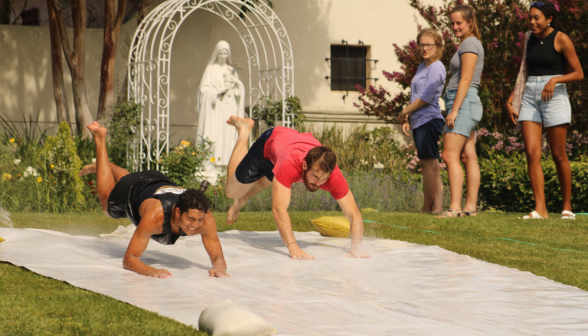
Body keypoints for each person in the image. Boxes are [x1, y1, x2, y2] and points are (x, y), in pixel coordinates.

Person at [80, 122, 230, 278]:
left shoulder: (205, 218)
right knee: (107, 206)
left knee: (128, 178)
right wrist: (150, 271)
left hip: (156, 181)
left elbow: (218, 258)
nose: (195, 225)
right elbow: (129, 259)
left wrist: (219, 268)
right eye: (190, 219)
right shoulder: (155, 216)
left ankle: (108, 165)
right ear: (178, 211)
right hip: (134, 189)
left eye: (198, 220)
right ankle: (100, 140)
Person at [223, 116, 370, 260]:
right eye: (315, 177)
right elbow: (279, 209)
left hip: (286, 146)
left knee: (269, 182)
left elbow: (354, 215)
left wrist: (356, 248)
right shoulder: (290, 164)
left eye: (324, 179)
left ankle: (241, 201)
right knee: (232, 191)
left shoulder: (333, 175)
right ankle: (244, 130)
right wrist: (293, 245)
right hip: (268, 144)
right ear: (305, 165)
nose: (318, 183)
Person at [506, 1, 583, 219]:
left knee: (559, 154)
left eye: (536, 18)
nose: (531, 22)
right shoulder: (527, 38)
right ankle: (540, 209)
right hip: (530, 95)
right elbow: (524, 70)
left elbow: (578, 73)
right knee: (532, 153)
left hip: (555, 96)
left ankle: (567, 208)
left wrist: (556, 80)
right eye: (529, 17)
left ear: (549, 19)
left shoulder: (561, 38)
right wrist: (513, 98)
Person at [438, 5, 484, 218]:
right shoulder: (469, 43)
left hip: (462, 102)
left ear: (469, 22)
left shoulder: (469, 43)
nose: (455, 27)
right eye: (452, 23)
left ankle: (455, 207)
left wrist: (454, 110)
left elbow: (465, 78)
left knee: (449, 155)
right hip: (465, 101)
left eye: (459, 23)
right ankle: (470, 208)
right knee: (468, 155)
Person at [398, 28, 446, 214]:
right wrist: (408, 117)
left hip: (429, 120)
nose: (425, 48)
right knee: (431, 165)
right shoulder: (422, 67)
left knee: (428, 164)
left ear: (437, 47)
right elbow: (414, 95)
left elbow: (426, 97)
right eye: (422, 44)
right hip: (418, 120)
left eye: (429, 45)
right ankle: (436, 207)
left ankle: (428, 206)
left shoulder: (436, 66)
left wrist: (404, 112)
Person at [197, 40, 245, 183]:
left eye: (226, 53)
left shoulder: (231, 70)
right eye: (221, 53)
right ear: (216, 54)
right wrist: (218, 92)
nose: (223, 56)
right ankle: (210, 168)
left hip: (228, 109)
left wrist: (237, 84)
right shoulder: (211, 70)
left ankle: (224, 168)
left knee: (226, 137)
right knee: (215, 137)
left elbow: (239, 91)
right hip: (215, 110)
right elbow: (203, 91)